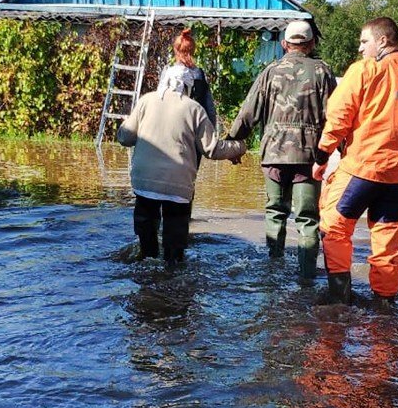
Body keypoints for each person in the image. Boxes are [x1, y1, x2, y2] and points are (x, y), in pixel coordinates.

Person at [312, 17, 398, 305]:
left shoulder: (365, 70)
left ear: (383, 41)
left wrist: (322, 155)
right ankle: (384, 312)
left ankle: (339, 300)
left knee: (334, 229)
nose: (360, 48)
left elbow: (339, 115)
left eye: (365, 41)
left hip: (360, 171)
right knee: (387, 247)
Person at [227, 20, 337, 283]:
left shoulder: (271, 71)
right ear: (311, 44)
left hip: (274, 153)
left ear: (284, 44)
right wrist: (343, 149)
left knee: (275, 211)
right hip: (310, 156)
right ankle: (307, 280)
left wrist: (232, 142)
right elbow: (336, 116)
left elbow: (248, 112)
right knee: (308, 219)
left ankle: (272, 273)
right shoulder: (323, 72)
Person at [117, 69, 245, 267]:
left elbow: (124, 138)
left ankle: (146, 269)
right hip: (178, 186)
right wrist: (239, 147)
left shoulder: (146, 101)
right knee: (174, 254)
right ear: (188, 86)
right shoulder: (194, 109)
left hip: (144, 183)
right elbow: (212, 149)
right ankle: (173, 278)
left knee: (147, 247)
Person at [158, 28, 216, 127]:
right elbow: (209, 107)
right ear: (193, 50)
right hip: (195, 125)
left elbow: (159, 100)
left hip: (171, 124)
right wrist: (212, 128)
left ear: (175, 50)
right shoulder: (200, 74)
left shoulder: (168, 72)